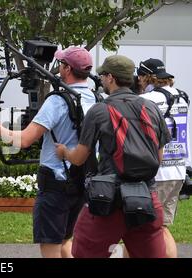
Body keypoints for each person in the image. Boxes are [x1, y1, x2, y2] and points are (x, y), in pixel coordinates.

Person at [55, 55, 170, 258]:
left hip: (108, 200)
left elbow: (80, 158)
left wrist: (64, 152)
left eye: (102, 75)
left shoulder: (100, 111)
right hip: (146, 198)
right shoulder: (152, 109)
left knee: (84, 253)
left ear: (110, 78)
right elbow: (157, 158)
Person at [0, 47, 96, 258]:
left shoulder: (57, 101)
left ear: (66, 68)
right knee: (65, 241)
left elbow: (25, 140)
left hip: (56, 183)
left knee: (51, 245)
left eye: (61, 64)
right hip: (82, 180)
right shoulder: (97, 99)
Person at [137, 58, 189, 258]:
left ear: (145, 77)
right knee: (163, 227)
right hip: (178, 169)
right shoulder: (182, 96)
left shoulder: (148, 100)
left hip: (157, 172)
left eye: (140, 77)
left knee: (144, 230)